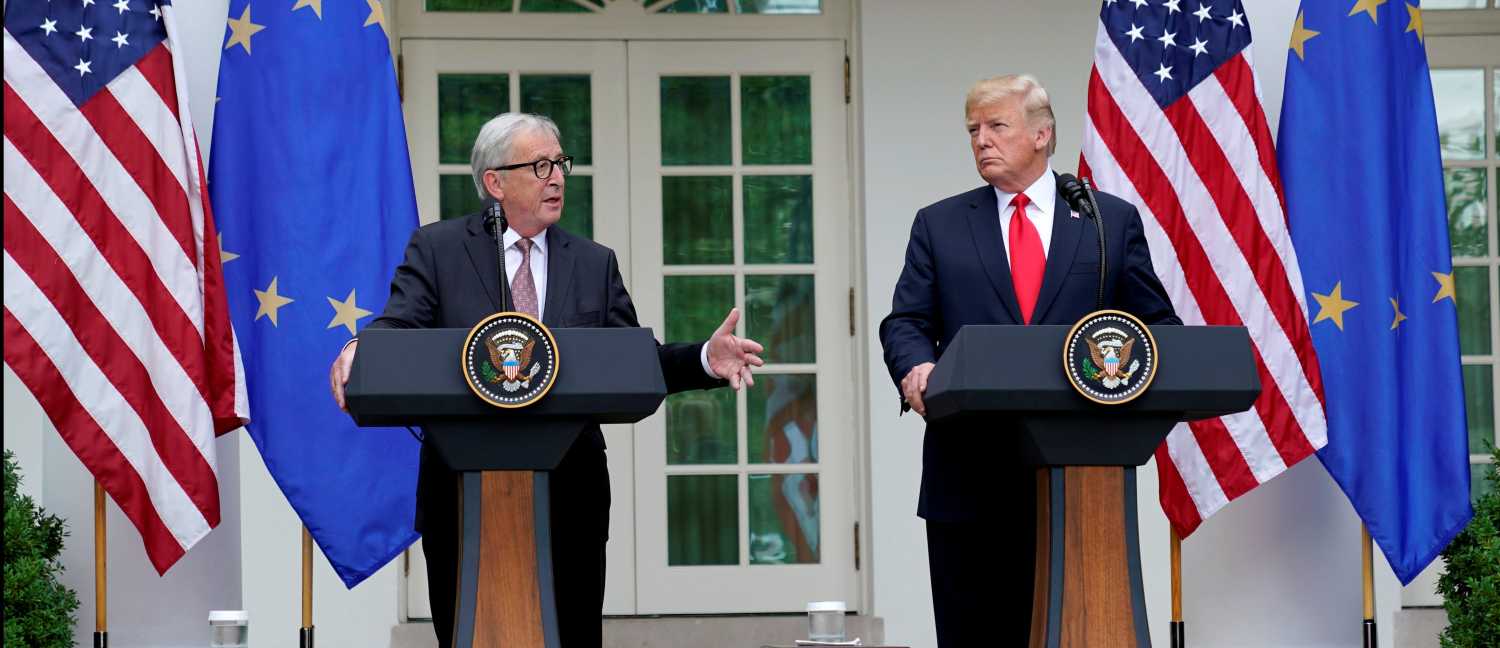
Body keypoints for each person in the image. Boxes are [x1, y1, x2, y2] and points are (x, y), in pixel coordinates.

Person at [328, 113, 764, 648]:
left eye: (560, 164)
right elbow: (397, 327)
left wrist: (702, 358)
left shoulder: (593, 263)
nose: (556, 176)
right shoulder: (438, 250)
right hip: (461, 495)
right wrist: (358, 349)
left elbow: (631, 361)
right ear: (495, 182)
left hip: (570, 495)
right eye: (540, 165)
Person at [877, 75, 1180, 646]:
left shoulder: (1105, 222)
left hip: (1081, 480)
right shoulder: (939, 224)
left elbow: (1157, 328)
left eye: (997, 126)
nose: (981, 141)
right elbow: (905, 323)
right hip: (967, 477)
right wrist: (915, 367)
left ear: (1043, 134)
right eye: (973, 129)